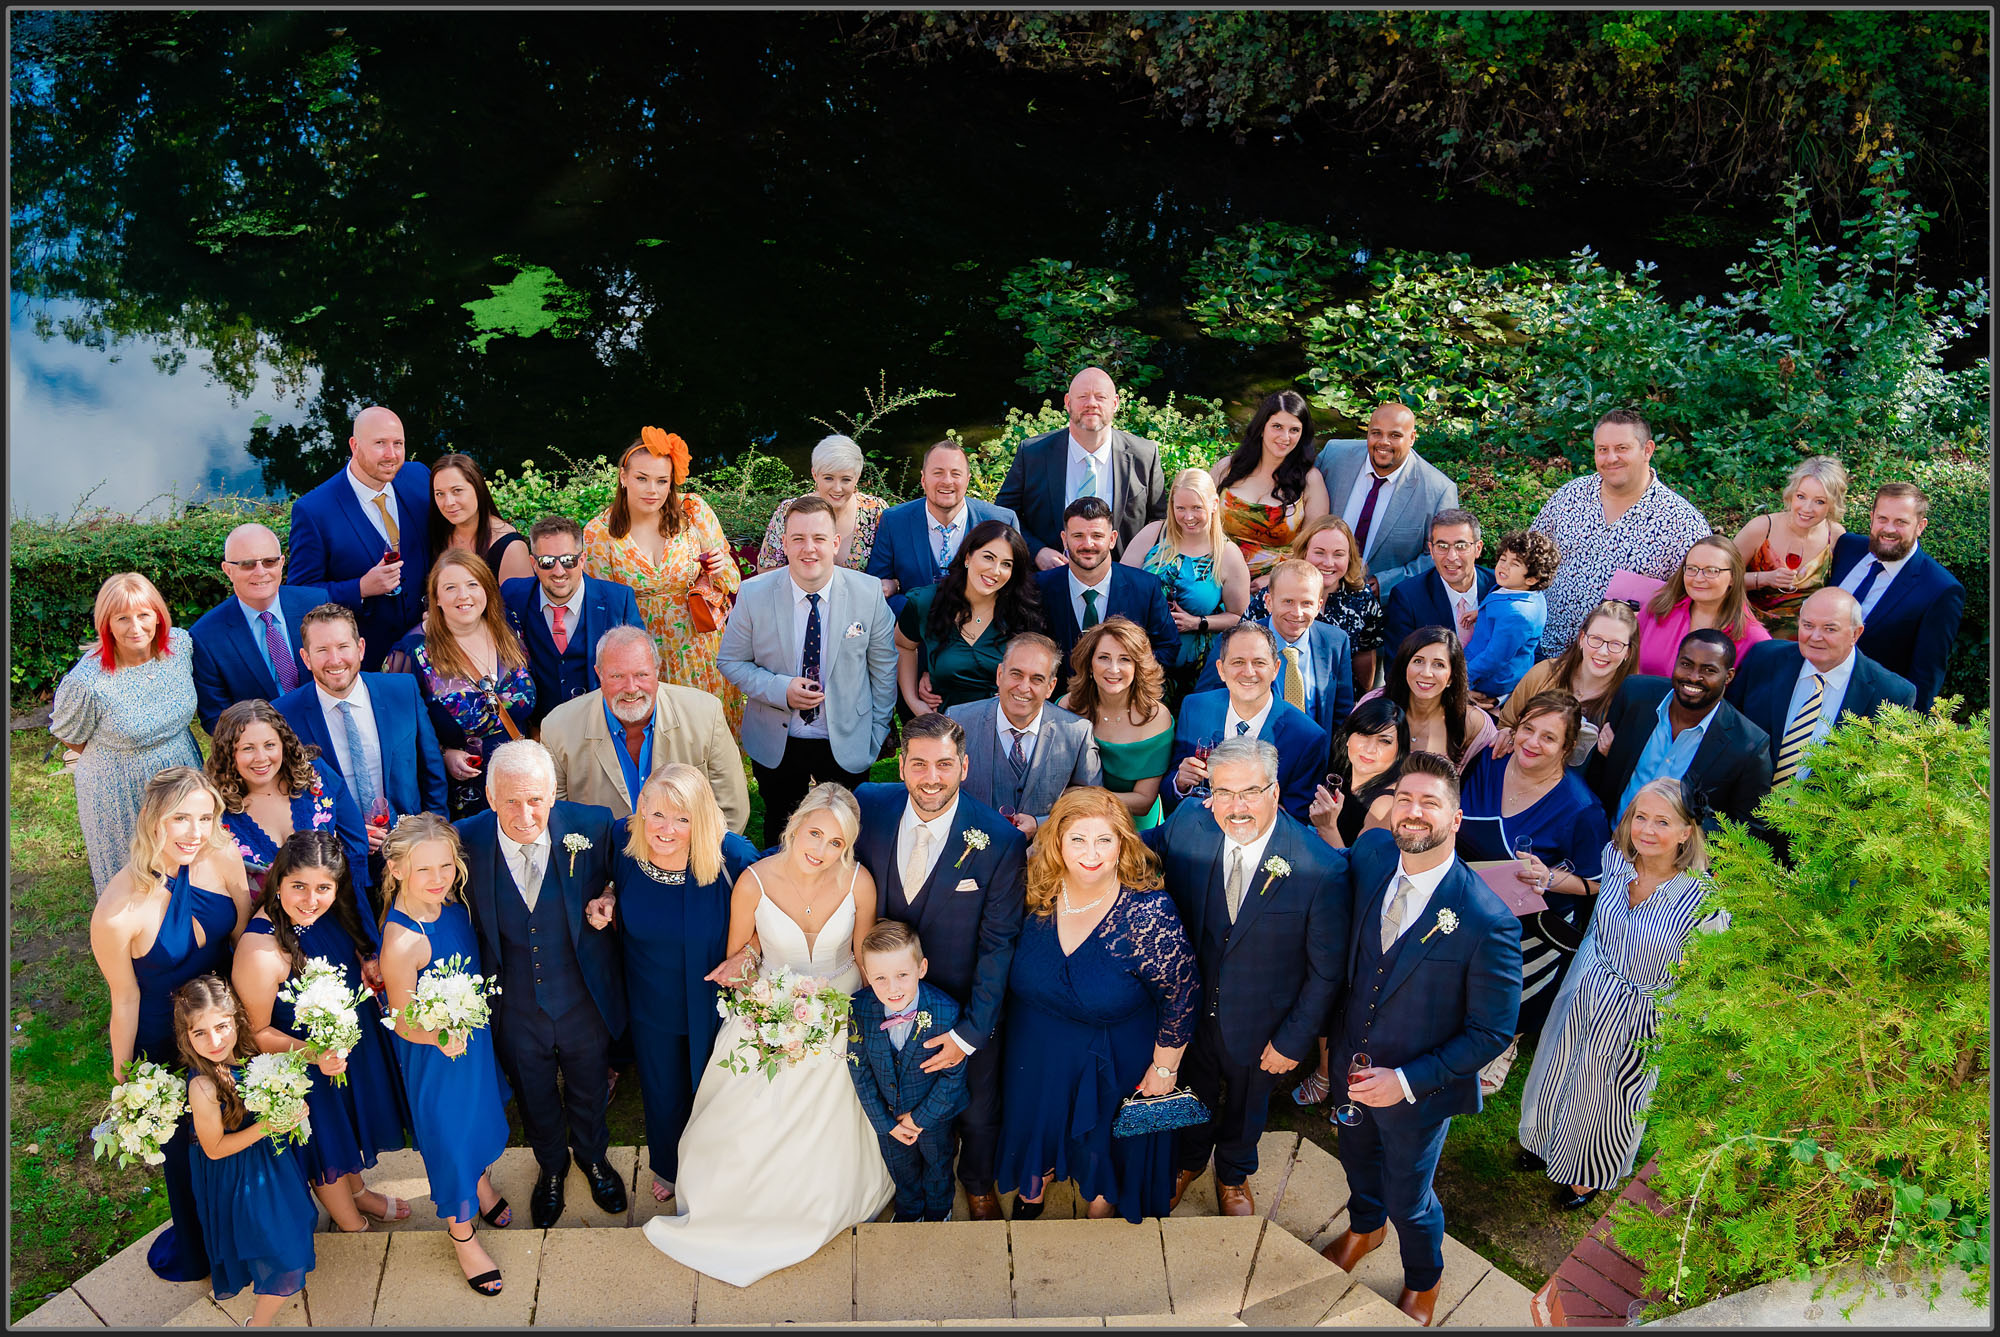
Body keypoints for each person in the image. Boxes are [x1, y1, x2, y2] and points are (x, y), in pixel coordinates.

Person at [643, 784, 895, 1284]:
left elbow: (865, 957)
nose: (821, 851)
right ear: (796, 823)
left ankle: (819, 1197)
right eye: (816, 833)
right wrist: (769, 1003)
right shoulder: (753, 883)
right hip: (771, 1003)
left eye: (836, 844)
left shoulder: (858, 883)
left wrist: (873, 1021)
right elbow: (744, 958)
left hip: (840, 1002)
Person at [1318, 753, 1522, 1326]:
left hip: (1419, 1093)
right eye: (1405, 799)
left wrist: (1405, 1082)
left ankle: (1423, 1278)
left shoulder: (1489, 921)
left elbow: (1491, 1032)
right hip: (1350, 1070)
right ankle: (1364, 1227)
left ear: (1456, 818)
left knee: (1410, 1195)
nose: (1413, 812)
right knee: (1355, 1160)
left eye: (1430, 802)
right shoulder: (1374, 854)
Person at [1142, 738, 1347, 1218]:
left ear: (1275, 791)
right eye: (1223, 792)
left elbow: (1326, 969)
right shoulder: (1188, 825)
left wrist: (1294, 1040)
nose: (1235, 808)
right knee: (1191, 1089)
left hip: (1264, 1026)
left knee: (1248, 1104)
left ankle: (1234, 1171)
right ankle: (1188, 1161)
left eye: (1249, 793)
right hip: (1192, 1012)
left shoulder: (1319, 867)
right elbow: (1136, 851)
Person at [853, 713, 1029, 1222]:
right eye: (920, 764)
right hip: (883, 995)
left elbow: (999, 946)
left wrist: (970, 1035)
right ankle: (904, 1185)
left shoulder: (998, 841)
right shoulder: (870, 806)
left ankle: (975, 1185)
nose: (932, 777)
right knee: (892, 1093)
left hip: (963, 1005)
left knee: (975, 1109)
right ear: (902, 765)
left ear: (965, 767)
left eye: (945, 765)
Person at [1517, 779, 1723, 1212]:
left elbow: (1709, 974)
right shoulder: (1615, 859)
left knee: (1610, 1101)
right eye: (1641, 817)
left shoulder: (1705, 900)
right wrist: (1549, 878)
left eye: (1662, 822)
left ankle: (1586, 1177)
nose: (1647, 830)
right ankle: (1543, 1142)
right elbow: (1592, 889)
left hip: (1642, 1015)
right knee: (1557, 1071)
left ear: (1687, 832)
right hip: (1588, 989)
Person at [995, 788, 1198, 1222]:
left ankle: (1102, 1197)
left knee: (1103, 1146)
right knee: (1036, 1121)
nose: (1091, 853)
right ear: (1057, 843)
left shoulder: (1147, 913)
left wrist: (1165, 1068)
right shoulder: (1033, 890)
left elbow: (1181, 996)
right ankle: (1037, 1180)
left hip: (1113, 1054)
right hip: (1036, 1046)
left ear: (1123, 842)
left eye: (1104, 840)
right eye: (1078, 840)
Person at [89, 766, 253, 1282]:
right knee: (191, 1149)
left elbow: (243, 934)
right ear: (151, 819)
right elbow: (125, 999)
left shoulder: (223, 855)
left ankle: (262, 1224)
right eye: (180, 818)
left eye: (205, 817)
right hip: (169, 1040)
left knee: (252, 1118)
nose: (195, 832)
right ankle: (202, 1243)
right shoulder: (118, 912)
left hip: (229, 1018)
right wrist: (126, 1078)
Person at [456, 740, 627, 1228]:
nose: (524, 813)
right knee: (533, 1094)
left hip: (582, 998)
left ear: (553, 794)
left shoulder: (592, 827)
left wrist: (611, 896)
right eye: (510, 800)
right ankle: (551, 1168)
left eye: (535, 799)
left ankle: (593, 1159)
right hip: (513, 1005)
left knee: (590, 1086)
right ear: (489, 797)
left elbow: (625, 876)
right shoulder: (465, 841)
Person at [230, 831, 410, 1234]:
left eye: (323, 888)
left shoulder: (323, 917)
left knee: (348, 1129)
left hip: (341, 1052)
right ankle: (350, 1225)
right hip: (301, 1062)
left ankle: (359, 1191)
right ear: (278, 883)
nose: (311, 899)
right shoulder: (260, 952)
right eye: (299, 887)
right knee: (326, 1140)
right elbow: (254, 1033)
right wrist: (315, 1053)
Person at [600, 765, 759, 1206]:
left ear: (701, 817)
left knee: (717, 1087)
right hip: (652, 997)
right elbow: (603, 884)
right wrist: (609, 895)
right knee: (662, 1087)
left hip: (717, 999)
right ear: (641, 813)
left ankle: (721, 1166)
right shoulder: (622, 845)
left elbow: (776, 907)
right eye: (657, 816)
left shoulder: (733, 856)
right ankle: (669, 1166)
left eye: (682, 818)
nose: (667, 829)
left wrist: (750, 953)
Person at [378, 813, 512, 1296]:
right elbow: (400, 1019)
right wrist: (437, 1037)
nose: (438, 880)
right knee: (449, 1140)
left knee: (479, 1121)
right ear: (396, 870)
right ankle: (462, 1233)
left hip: (470, 1046)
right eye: (423, 871)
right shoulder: (403, 940)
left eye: (445, 867)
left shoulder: (452, 907)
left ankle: (480, 1182)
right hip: (435, 1058)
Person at [719, 495, 900, 847]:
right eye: (798, 539)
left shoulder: (867, 593)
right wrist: (779, 689)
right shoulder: (754, 593)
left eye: (819, 538)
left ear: (835, 543)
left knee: (845, 831)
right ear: (784, 543)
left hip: (846, 736)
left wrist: (875, 733)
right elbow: (731, 661)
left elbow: (884, 668)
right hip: (777, 739)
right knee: (780, 828)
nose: (809, 549)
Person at [1456, 693, 1613, 1077]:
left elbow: (1596, 883)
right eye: (1528, 729)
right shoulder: (1488, 763)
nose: (1532, 743)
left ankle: (1506, 1041)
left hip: (1530, 927)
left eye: (1548, 737)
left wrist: (1549, 877)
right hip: (1467, 898)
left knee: (1511, 991)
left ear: (1568, 748)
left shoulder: (1581, 809)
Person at [174, 974, 318, 1327]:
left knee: (292, 1226)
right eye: (200, 1033)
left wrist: (292, 1107)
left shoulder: (248, 1052)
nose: (214, 1040)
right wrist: (268, 1126)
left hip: (269, 1165)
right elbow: (215, 1148)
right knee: (286, 1257)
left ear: (235, 1019)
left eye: (222, 1026)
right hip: (236, 1177)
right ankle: (259, 1324)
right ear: (186, 1037)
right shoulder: (204, 1087)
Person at [53, 572, 206, 895]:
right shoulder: (87, 682)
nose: (135, 628)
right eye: (122, 618)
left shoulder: (179, 647)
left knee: (191, 860)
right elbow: (69, 734)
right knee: (137, 878)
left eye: (143, 615)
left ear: (158, 616)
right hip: (120, 787)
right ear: (105, 623)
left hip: (182, 769)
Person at [581, 426, 743, 730]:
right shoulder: (598, 533)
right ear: (623, 477)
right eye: (642, 478)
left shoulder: (693, 512)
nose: (652, 490)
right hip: (640, 654)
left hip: (698, 645)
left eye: (662, 481)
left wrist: (721, 568)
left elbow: (732, 580)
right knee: (655, 740)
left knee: (705, 735)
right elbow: (600, 609)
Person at [1530, 408, 1713, 659]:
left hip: (1618, 665)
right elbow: (1530, 557)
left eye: (1622, 448)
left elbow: (1696, 601)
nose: (1610, 458)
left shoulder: (1681, 522)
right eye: (1602, 449)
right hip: (1544, 650)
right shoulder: (1569, 496)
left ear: (1647, 450)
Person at [274, 604, 449, 858]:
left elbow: (432, 771)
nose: (335, 660)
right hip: (335, 860)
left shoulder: (402, 691)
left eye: (343, 647)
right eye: (322, 650)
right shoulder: (285, 716)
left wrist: (434, 837)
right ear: (306, 658)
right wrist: (345, 836)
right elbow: (285, 796)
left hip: (410, 849)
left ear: (361, 648)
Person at [540, 624, 750, 834]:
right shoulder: (558, 728)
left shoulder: (705, 713)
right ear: (599, 674)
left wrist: (699, 861)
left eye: (641, 675)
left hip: (688, 856)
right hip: (602, 861)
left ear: (657, 670)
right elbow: (556, 817)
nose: (631, 688)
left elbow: (731, 808)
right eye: (617, 676)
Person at [284, 406, 431, 672]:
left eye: (398, 443)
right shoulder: (314, 510)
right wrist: (360, 588)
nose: (392, 455)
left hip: (431, 648)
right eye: (380, 444)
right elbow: (300, 595)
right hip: (366, 659)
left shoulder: (419, 477)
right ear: (354, 445)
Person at [847, 920, 972, 1222]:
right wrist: (885, 1122)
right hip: (888, 1118)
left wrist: (919, 1119)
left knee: (938, 1164)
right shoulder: (859, 1008)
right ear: (867, 975)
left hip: (934, 1116)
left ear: (922, 968)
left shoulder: (946, 1010)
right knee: (899, 1167)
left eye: (902, 975)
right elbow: (859, 1069)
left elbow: (953, 1077)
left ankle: (940, 1209)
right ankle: (909, 1209)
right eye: (880, 978)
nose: (893, 988)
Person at [1726, 587, 1916, 786]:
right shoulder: (1764, 659)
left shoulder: (1892, 694)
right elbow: (1729, 727)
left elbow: (1885, 779)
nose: (1815, 637)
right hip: (1744, 809)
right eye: (1808, 625)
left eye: (1830, 629)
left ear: (1855, 634)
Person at [1586, 630, 1773, 829]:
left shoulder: (1749, 745)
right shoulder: (1634, 694)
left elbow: (1748, 827)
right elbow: (1598, 771)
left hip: (1677, 858)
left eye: (1708, 670)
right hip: (1607, 839)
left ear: (1728, 677)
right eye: (1686, 664)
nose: (1693, 677)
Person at [402, 550, 536, 820]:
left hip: (521, 782)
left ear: (486, 589)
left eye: (472, 584)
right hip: (463, 797)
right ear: (436, 598)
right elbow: (398, 732)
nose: (463, 595)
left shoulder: (509, 626)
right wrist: (442, 754)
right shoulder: (411, 652)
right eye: (450, 588)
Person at [207, 699, 374, 913]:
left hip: (341, 910)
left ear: (283, 744)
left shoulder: (316, 777)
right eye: (248, 748)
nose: (261, 758)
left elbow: (355, 844)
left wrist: (353, 909)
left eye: (270, 745)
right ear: (229, 754)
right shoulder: (216, 812)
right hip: (270, 930)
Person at [999, 366, 1169, 568]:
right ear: (1068, 403)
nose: (1091, 404)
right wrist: (1036, 551)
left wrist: (1136, 562)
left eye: (1100, 397)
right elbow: (1003, 513)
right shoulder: (1034, 453)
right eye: (1083, 396)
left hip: (1122, 581)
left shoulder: (1144, 455)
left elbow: (1160, 521)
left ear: (1115, 404)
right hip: (1048, 582)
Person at [1166, 623, 1329, 825]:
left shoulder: (1306, 737)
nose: (1249, 672)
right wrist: (1180, 784)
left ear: (1276, 669)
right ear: (1221, 669)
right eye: (1238, 662)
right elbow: (1168, 791)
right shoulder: (1195, 708)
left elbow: (1297, 821)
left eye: (1259, 662)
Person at [1828, 481, 1965, 713]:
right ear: (1872, 517)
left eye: (1901, 522)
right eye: (1882, 518)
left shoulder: (1941, 590)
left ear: (1920, 526)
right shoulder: (1847, 547)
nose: (1889, 529)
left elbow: (1925, 677)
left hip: (1867, 711)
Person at [499, 514, 646, 727]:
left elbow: (640, 665)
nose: (559, 571)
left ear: (582, 559)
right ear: (534, 563)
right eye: (547, 562)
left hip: (604, 726)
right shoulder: (513, 595)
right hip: (541, 729)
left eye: (568, 560)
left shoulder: (618, 600)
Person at [947, 634, 1103, 830]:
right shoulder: (959, 721)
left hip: (1047, 853)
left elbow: (1091, 802)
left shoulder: (1077, 733)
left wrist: (1041, 824)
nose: (1023, 687)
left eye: (1037, 679)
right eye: (1016, 674)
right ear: (999, 675)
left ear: (1050, 687)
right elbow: (942, 790)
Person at [896, 519, 1045, 716]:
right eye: (988, 557)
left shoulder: (1023, 616)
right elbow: (904, 646)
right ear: (968, 557)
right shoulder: (926, 603)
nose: (995, 571)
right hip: (941, 729)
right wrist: (913, 701)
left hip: (1001, 728)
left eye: (1006, 564)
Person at [1192, 558, 1355, 738]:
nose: (1297, 612)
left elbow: (1342, 713)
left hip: (1314, 759)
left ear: (1319, 605)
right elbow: (1206, 705)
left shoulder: (1336, 642)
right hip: (1251, 756)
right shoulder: (1234, 641)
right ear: (1269, 602)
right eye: (1288, 601)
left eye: (1306, 603)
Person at [1313, 402, 1462, 598]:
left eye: (1395, 435)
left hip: (1379, 604)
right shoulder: (1333, 455)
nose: (1384, 442)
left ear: (1412, 438)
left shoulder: (1439, 491)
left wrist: (1385, 583)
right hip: (1313, 588)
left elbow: (1439, 554)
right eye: (1376, 433)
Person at [190, 523, 328, 733]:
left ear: (281, 563)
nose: (261, 572)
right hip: (262, 749)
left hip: (325, 729)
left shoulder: (316, 603)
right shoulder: (206, 636)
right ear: (228, 570)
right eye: (247, 564)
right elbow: (215, 718)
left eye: (269, 561)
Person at [1033, 496, 1178, 691]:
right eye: (1078, 536)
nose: (1088, 544)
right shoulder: (1039, 587)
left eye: (1097, 536)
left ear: (1112, 539)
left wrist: (1125, 683)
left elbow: (1168, 647)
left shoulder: (1145, 587)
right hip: (1057, 705)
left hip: (1126, 703)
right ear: (1064, 539)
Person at [865, 439, 1021, 616]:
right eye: (938, 473)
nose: (947, 481)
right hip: (913, 637)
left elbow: (1016, 588)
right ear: (923, 480)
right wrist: (910, 613)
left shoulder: (1002, 520)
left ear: (968, 480)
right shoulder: (894, 521)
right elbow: (878, 587)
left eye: (956, 474)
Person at [1126, 467, 1251, 685]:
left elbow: (1239, 617)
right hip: (1140, 662)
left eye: (1197, 508)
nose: (1188, 517)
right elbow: (1120, 585)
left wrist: (1197, 623)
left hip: (1197, 671)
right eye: (1180, 508)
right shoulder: (1154, 535)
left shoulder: (1227, 554)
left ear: (1214, 504)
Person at [1245, 515, 1386, 695]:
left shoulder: (1363, 600)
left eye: (1338, 554)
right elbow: (1242, 638)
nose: (1328, 562)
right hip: (1271, 692)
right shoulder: (1274, 592)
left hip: (1334, 699)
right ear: (1304, 552)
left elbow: (1365, 657)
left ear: (1350, 558)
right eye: (1319, 552)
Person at [1060, 618, 1176, 831]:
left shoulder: (1156, 718)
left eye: (1125, 659)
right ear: (1089, 663)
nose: (1113, 669)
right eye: (1104, 658)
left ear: (1138, 666)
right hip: (1076, 819)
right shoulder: (1068, 706)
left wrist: (1080, 795)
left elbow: (1143, 801)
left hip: (1133, 826)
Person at [1493, 602, 1640, 768]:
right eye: (1596, 639)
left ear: (1628, 652)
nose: (1603, 651)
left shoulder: (1629, 703)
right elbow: (1507, 723)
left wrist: (1614, 755)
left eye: (1615, 644)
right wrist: (1506, 733)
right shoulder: (1545, 673)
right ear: (1582, 639)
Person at [1214, 390, 1330, 587]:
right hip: (1215, 574)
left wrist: (1272, 579)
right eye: (1277, 426)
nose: (1285, 437)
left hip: (1274, 587)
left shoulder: (1310, 480)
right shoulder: (1227, 468)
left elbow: (1314, 549)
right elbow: (1196, 518)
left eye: (1294, 430)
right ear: (1261, 428)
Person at [1733, 455, 1849, 640]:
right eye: (1801, 496)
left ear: (1832, 504)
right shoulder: (1761, 528)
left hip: (1806, 637)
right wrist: (1764, 578)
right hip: (1751, 628)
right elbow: (1722, 578)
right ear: (1791, 494)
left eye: (1819, 501)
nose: (1807, 508)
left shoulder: (1835, 536)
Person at [1355, 627, 1497, 774]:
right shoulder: (1374, 703)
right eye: (1418, 661)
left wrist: (1507, 738)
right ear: (1405, 666)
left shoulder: (1473, 723)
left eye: (1439, 664)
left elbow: (1486, 782)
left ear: (1452, 677)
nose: (1426, 673)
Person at [1635, 534, 1771, 678]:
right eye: (1692, 568)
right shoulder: (1659, 606)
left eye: (1711, 571)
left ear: (1733, 577)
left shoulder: (1754, 639)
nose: (1698, 578)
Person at [755, 434, 890, 574]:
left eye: (846, 480)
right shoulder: (788, 511)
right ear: (814, 474)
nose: (837, 488)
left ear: (857, 477)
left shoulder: (875, 511)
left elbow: (895, 566)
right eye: (828, 478)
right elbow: (766, 570)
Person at [1464, 530, 1561, 708]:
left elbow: (1493, 658)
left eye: (1515, 564)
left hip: (1493, 679)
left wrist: (1460, 678)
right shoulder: (1521, 590)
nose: (1504, 566)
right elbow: (1501, 599)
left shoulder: (1518, 616)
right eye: (1503, 558)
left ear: (1532, 578)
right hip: (1498, 663)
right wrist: (1481, 613)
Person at [1381, 510, 1496, 659]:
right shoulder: (1408, 598)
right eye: (1442, 546)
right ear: (1431, 550)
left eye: (1461, 546)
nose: (1451, 557)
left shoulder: (1500, 587)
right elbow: (1398, 667)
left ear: (1477, 548)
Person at [1307, 695, 1412, 852]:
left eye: (1384, 741)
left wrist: (1326, 827)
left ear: (1399, 751)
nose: (1370, 749)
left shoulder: (1386, 804)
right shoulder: (1339, 774)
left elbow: (1357, 872)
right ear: (1348, 738)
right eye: (1364, 734)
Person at [429, 452, 535, 588]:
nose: (448, 502)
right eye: (440, 494)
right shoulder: (438, 534)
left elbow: (518, 607)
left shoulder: (509, 547)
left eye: (457, 490)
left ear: (478, 489)